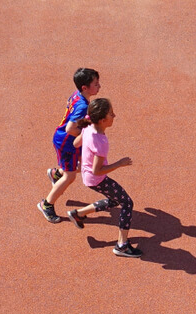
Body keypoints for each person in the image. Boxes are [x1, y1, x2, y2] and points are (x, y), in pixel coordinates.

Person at [65, 98, 140, 257]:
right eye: (111, 114)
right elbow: (97, 170)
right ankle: (122, 245)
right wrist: (119, 163)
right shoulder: (101, 141)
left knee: (114, 199)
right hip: (96, 179)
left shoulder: (88, 127)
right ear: (102, 120)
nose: (115, 115)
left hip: (87, 177)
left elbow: (76, 144)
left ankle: (78, 214)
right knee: (127, 203)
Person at [37, 68, 101, 223]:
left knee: (85, 164)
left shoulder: (77, 95)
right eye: (96, 84)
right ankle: (47, 204)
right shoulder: (82, 106)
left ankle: (56, 173)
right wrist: (86, 134)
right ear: (85, 88)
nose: (99, 86)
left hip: (67, 142)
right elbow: (70, 128)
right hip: (67, 144)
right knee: (70, 176)